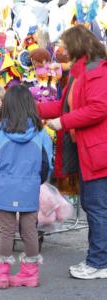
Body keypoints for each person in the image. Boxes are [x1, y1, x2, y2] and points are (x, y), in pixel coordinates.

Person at [36, 24, 107, 280]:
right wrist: (33, 108)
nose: (60, 49)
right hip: (87, 152)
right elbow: (62, 105)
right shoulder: (79, 73)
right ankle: (97, 259)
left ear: (77, 45)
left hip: (98, 153)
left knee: (97, 208)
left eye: (64, 45)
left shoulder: (97, 71)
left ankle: (99, 263)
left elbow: (99, 108)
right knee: (94, 206)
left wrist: (63, 123)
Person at [0, 85, 53, 288]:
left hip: (4, 187)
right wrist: (35, 180)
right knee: (29, 230)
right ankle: (30, 273)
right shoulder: (41, 134)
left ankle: (2, 274)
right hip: (29, 187)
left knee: (6, 231)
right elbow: (47, 165)